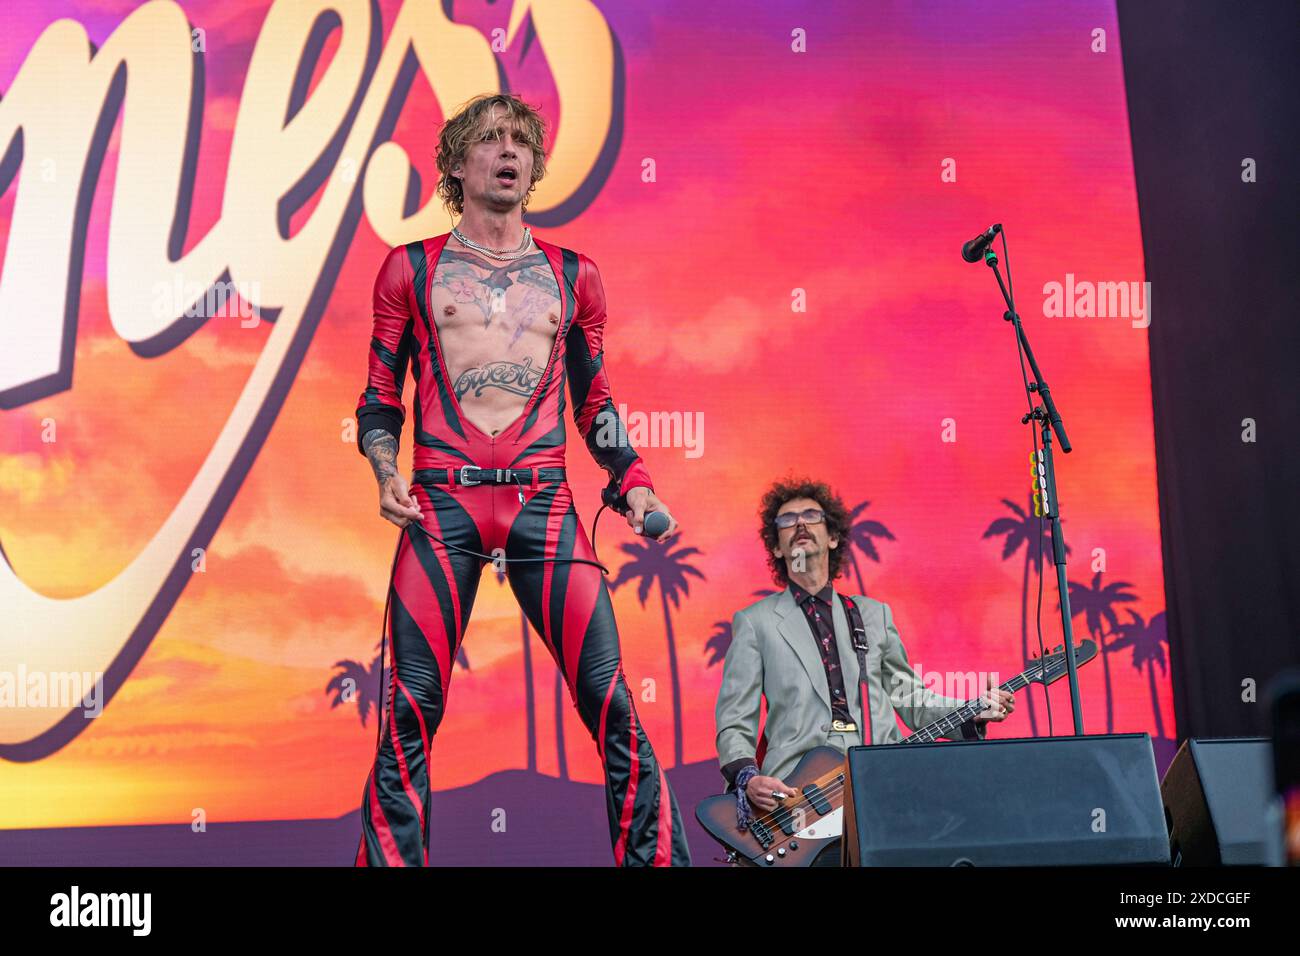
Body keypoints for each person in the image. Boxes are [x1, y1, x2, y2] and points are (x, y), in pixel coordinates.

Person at [353, 93, 690, 866]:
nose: (508, 150)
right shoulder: (409, 268)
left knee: (610, 702)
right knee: (408, 708)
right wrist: (381, 468)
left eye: (520, 141)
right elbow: (378, 396)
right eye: (490, 138)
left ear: (533, 166)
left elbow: (594, 398)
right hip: (441, 500)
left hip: (544, 498)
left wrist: (632, 479)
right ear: (457, 164)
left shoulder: (576, 275)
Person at [715, 477, 1014, 863]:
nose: (800, 524)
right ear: (776, 546)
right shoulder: (755, 622)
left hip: (882, 791)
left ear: (834, 537)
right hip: (797, 803)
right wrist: (748, 779)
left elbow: (913, 700)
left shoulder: (873, 616)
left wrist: (972, 711)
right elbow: (734, 719)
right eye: (787, 520)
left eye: (811, 515)